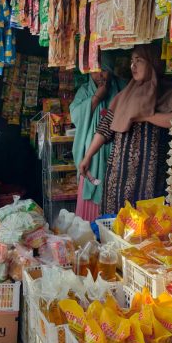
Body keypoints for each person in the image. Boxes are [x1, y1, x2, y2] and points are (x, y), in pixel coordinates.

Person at [78, 44, 172, 212]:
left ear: (152, 63)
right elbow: (105, 127)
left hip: (151, 177)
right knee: (118, 225)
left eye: (139, 61)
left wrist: (145, 116)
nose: (133, 66)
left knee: (148, 227)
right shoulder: (125, 94)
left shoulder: (167, 92)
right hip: (119, 177)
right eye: (132, 61)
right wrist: (88, 156)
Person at [70, 54, 126, 221]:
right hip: (91, 157)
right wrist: (96, 98)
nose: (99, 75)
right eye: (94, 71)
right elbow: (75, 116)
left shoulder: (122, 88)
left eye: (103, 70)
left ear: (110, 70)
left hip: (116, 153)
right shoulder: (85, 91)